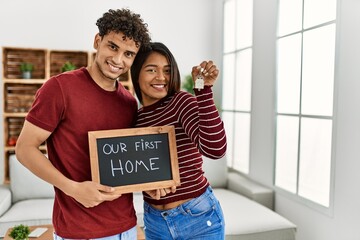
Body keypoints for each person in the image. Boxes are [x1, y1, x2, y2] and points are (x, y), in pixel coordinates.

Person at [15, 9, 151, 240]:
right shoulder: (59, 88)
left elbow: (127, 163)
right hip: (78, 232)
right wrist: (73, 188)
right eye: (113, 47)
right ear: (97, 41)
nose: (118, 60)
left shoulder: (129, 102)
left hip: (127, 226)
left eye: (128, 54)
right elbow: (24, 149)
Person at [130, 42, 227, 240]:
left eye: (167, 70)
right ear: (136, 74)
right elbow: (136, 169)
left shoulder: (180, 102)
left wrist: (203, 89)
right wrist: (145, 186)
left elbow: (215, 149)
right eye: (151, 70)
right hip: (154, 221)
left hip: (198, 218)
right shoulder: (135, 119)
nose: (161, 77)